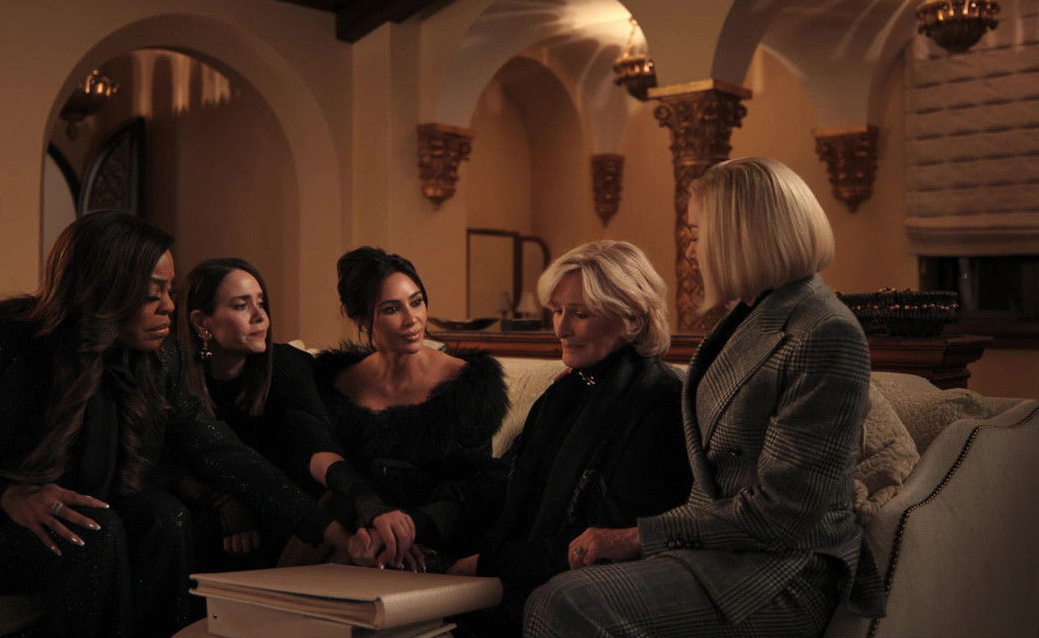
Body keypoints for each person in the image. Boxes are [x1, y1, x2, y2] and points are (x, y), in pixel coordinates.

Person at [0, 212, 345, 638]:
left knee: (165, 518)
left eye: (170, 291)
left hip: (68, 511)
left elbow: (222, 452)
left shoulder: (158, 359)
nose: (169, 307)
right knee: (94, 533)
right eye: (152, 293)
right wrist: (3, 495)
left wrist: (332, 529)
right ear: (104, 289)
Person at [523, 157, 886, 638]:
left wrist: (640, 536)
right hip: (717, 552)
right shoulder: (748, 317)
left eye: (697, 234)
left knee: (565, 602)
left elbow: (787, 514)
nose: (690, 252)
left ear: (743, 236)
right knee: (550, 588)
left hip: (784, 571)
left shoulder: (826, 332)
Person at [447, 240, 692, 637]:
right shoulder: (566, 390)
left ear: (630, 317)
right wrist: (424, 526)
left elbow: (607, 540)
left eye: (580, 314)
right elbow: (503, 482)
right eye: (557, 310)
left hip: (583, 590)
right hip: (519, 569)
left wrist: (488, 563)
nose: (561, 329)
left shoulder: (660, 403)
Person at [315, 246, 509, 569]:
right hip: (357, 526)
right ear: (360, 319)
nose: (412, 320)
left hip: (440, 533)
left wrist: (411, 530)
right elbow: (331, 473)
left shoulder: (468, 385)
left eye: (416, 302)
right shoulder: (336, 384)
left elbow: (475, 489)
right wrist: (367, 529)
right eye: (392, 309)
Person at [175, 257, 333, 568]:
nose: (261, 316)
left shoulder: (285, 365)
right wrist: (226, 503)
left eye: (261, 303)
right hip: (216, 509)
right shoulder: (177, 376)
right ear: (202, 322)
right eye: (241, 306)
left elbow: (317, 450)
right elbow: (169, 464)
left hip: (294, 506)